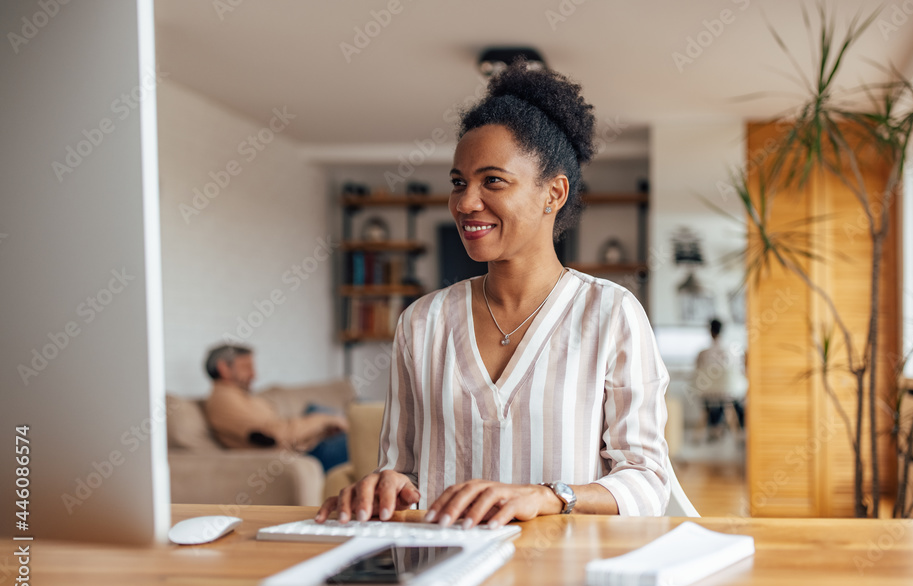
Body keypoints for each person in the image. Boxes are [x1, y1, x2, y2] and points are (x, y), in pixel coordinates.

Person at [316, 62, 673, 528]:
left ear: (554, 193)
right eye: (459, 182)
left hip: (561, 583)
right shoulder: (423, 322)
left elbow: (647, 480)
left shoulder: (610, 314)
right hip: (440, 575)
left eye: (493, 181)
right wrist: (384, 485)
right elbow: (400, 469)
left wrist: (547, 496)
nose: (465, 202)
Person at [203, 344, 349, 472]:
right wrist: (323, 420)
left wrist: (320, 432)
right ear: (223, 368)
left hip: (305, 447)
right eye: (246, 367)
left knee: (356, 423)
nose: (254, 375)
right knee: (363, 439)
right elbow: (273, 435)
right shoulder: (224, 401)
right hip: (302, 456)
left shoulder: (240, 397)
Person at [694, 319, 746, 441]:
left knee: (714, 398)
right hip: (729, 392)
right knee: (734, 397)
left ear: (710, 331)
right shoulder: (733, 352)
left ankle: (715, 427)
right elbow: (739, 372)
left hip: (708, 393)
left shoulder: (702, 353)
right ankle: (741, 431)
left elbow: (697, 372)